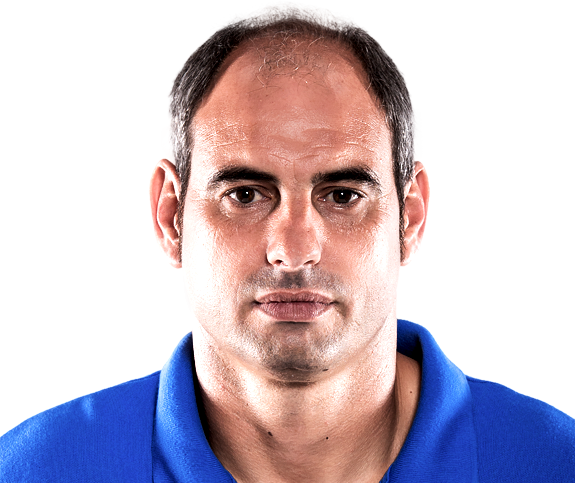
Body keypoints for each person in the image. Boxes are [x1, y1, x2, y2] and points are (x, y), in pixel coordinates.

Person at [1, 2, 573, 482]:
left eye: (342, 195)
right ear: (171, 215)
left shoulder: (557, 463)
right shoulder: (34, 470)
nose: (294, 251)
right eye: (246, 194)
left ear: (411, 218)